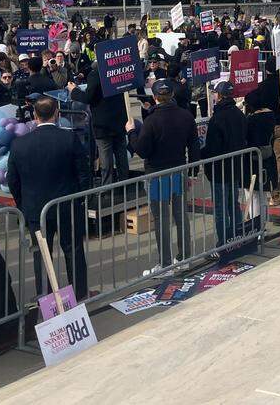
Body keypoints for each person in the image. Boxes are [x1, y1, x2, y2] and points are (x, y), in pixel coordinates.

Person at [6, 96, 90, 300]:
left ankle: (46, 296)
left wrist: (23, 204)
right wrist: (80, 197)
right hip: (66, 204)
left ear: (35, 116)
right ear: (57, 114)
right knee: (74, 250)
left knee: (41, 254)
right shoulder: (69, 138)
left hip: (35, 207)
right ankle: (79, 293)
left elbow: (13, 180)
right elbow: (83, 173)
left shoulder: (19, 144)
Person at [128, 79, 200, 271]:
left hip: (157, 174)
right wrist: (192, 171)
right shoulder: (186, 116)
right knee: (180, 215)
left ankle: (165, 263)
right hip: (178, 170)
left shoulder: (152, 120)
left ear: (155, 97)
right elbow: (194, 146)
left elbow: (141, 150)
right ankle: (185, 257)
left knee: (161, 219)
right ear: (172, 96)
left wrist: (131, 133)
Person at [200, 81, 250, 256]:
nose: (213, 96)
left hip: (220, 170)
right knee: (233, 205)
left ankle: (223, 244)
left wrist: (202, 154)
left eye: (215, 93)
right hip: (234, 167)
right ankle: (235, 238)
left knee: (221, 209)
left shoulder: (218, 118)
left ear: (219, 96)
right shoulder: (238, 114)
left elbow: (213, 148)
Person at [67, 64, 131, 185]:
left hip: (103, 123)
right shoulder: (117, 70)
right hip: (119, 119)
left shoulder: (96, 74)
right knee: (121, 154)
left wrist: (74, 90)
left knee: (106, 158)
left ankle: (107, 187)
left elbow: (88, 97)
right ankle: (124, 182)